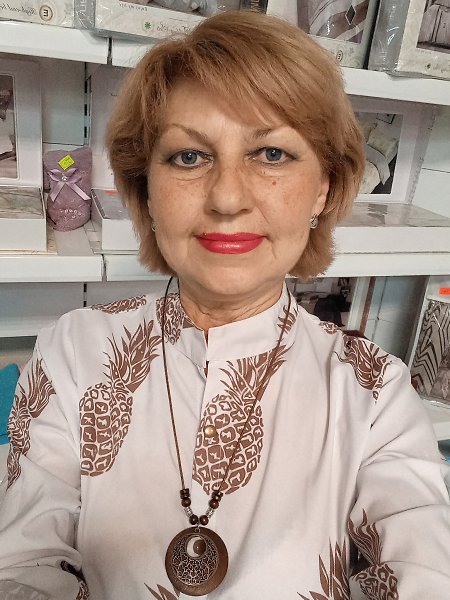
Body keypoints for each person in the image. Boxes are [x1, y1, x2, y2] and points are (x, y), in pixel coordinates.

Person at [0, 9, 449, 600]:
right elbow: (25, 563)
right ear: (146, 190)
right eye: (189, 156)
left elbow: (425, 568)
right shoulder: (75, 351)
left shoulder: (373, 394)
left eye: (271, 154)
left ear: (323, 188)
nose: (228, 198)